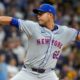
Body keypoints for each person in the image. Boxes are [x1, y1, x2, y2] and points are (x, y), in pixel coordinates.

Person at [0, 3, 80, 80]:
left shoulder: (65, 32)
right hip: (28, 73)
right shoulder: (32, 27)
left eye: (41, 13)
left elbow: (78, 35)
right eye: (37, 13)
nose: (38, 16)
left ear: (50, 15)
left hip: (48, 75)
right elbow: (11, 20)